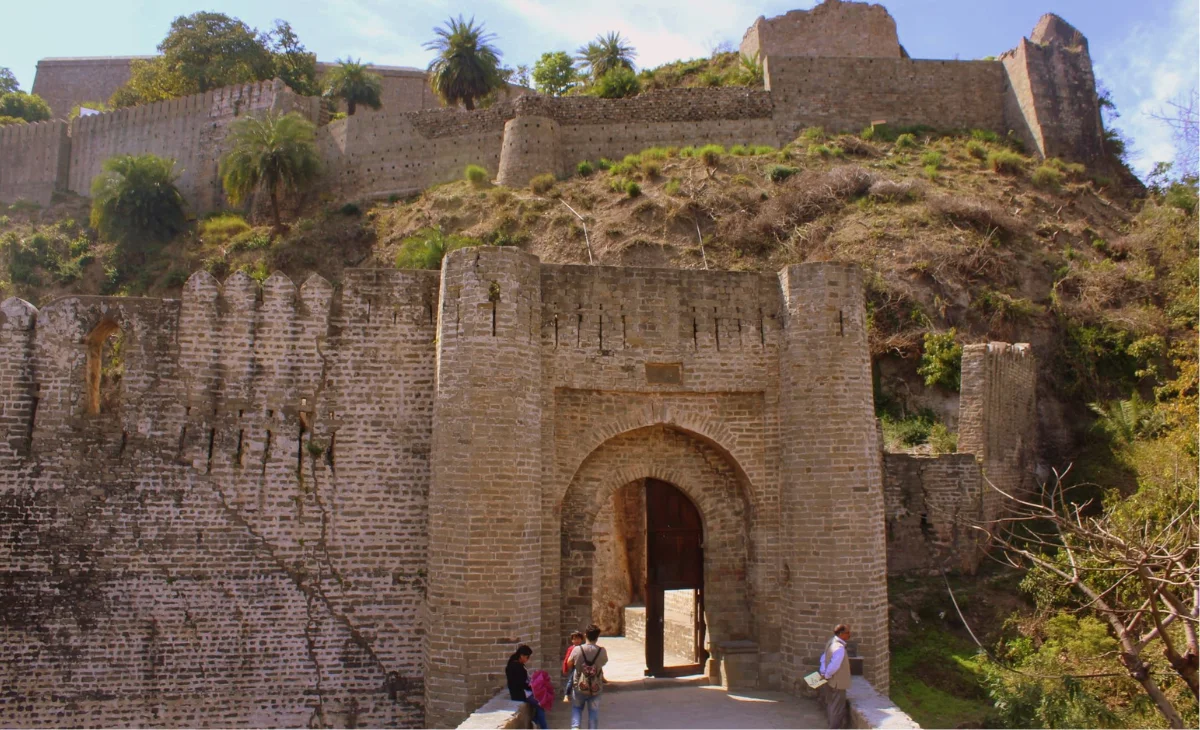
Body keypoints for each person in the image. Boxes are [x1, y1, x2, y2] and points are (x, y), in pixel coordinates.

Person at [566, 624, 608, 729]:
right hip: (595, 686)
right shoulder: (601, 651)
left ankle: (575, 727)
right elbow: (603, 663)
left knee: (577, 708)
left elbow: (569, 663)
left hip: (579, 684)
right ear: (597, 637)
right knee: (593, 711)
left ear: (585, 635)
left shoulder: (577, 650)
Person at [506, 644, 548, 730]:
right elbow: (521, 683)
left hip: (522, 691)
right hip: (520, 693)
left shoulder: (515, 664)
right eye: (527, 657)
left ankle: (535, 721)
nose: (527, 660)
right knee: (540, 704)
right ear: (521, 656)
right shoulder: (516, 666)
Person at [819, 624, 852, 729]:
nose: (849, 635)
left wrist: (823, 672)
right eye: (847, 633)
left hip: (830, 681)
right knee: (837, 708)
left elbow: (823, 658)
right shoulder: (839, 648)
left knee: (831, 705)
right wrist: (828, 674)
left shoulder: (831, 643)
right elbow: (835, 665)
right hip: (837, 683)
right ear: (841, 634)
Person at [562, 630, 585, 702]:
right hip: (575, 667)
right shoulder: (571, 648)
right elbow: (567, 659)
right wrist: (565, 668)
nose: (576, 640)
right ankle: (566, 695)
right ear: (572, 640)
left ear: (581, 639)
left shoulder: (583, 648)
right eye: (574, 639)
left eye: (578, 638)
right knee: (571, 680)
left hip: (583, 667)